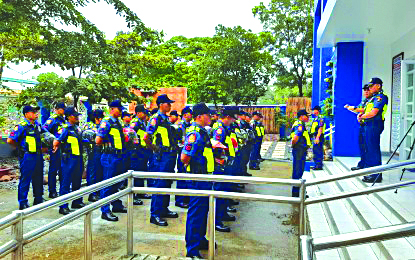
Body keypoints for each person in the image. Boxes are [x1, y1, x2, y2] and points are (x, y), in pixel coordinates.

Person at [181, 103, 215, 258]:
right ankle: (192, 250)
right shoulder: (195, 133)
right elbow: (184, 157)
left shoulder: (202, 131)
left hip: (204, 177)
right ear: (200, 116)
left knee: (203, 211)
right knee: (196, 213)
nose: (211, 117)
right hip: (198, 177)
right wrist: (195, 167)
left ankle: (200, 239)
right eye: (208, 115)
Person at [144, 94, 178, 226]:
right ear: (160, 105)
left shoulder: (166, 119)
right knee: (159, 184)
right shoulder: (155, 119)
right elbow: (146, 137)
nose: (169, 105)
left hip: (169, 156)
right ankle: (155, 214)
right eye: (167, 103)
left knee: (166, 183)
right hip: (161, 156)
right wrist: (155, 149)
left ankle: (164, 209)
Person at [7, 106, 45, 209]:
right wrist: (19, 149)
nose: (35, 114)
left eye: (36, 112)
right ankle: (23, 202)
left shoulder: (37, 125)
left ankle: (38, 198)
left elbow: (45, 135)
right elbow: (10, 140)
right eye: (33, 112)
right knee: (26, 178)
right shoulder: (21, 126)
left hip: (38, 155)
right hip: (27, 156)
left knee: (38, 177)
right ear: (26, 114)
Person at [96, 100, 128, 222]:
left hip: (119, 156)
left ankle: (116, 204)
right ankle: (105, 210)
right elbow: (98, 140)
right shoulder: (106, 122)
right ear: (112, 109)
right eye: (118, 109)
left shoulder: (118, 123)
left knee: (116, 183)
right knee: (108, 184)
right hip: (110, 156)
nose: (120, 111)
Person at [210, 107, 240, 232]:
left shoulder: (225, 128)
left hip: (226, 164)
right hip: (220, 166)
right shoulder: (219, 129)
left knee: (224, 190)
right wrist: (220, 162)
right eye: (233, 118)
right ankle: (216, 221)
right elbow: (216, 147)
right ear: (228, 117)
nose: (233, 121)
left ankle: (222, 214)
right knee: (219, 191)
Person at [53, 107, 85, 215]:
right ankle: (63, 206)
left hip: (78, 157)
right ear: (68, 117)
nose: (76, 117)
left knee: (77, 180)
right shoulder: (65, 128)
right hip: (69, 158)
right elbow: (56, 141)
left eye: (77, 116)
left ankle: (76, 201)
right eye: (74, 116)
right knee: (66, 181)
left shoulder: (77, 128)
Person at [357, 77, 388, 183]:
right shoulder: (372, 98)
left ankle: (376, 175)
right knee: (368, 149)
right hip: (368, 125)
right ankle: (371, 172)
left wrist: (362, 116)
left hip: (374, 125)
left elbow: (374, 112)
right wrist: (362, 115)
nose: (369, 88)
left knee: (373, 149)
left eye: (372, 85)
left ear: (378, 86)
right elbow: (367, 110)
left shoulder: (381, 97)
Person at [344, 84, 372, 171]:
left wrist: (353, 108)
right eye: (365, 90)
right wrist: (357, 114)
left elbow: (364, 110)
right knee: (362, 146)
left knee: (369, 147)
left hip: (370, 126)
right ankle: (362, 164)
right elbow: (359, 110)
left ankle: (368, 166)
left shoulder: (373, 100)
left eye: (368, 89)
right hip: (362, 126)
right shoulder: (364, 101)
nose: (366, 91)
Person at [43, 102, 66, 199]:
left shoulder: (63, 119)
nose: (64, 111)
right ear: (58, 109)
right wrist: (53, 140)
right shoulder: (52, 119)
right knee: (53, 170)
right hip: (55, 148)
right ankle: (52, 191)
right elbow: (44, 130)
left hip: (63, 148)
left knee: (62, 169)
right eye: (63, 109)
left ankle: (61, 190)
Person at [129, 104, 152, 201]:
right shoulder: (135, 122)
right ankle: (134, 195)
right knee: (136, 172)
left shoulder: (142, 122)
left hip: (142, 150)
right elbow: (130, 134)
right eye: (143, 112)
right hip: (136, 151)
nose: (145, 114)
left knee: (141, 171)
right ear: (138, 113)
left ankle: (140, 192)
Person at [175, 106, 193, 208]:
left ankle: (186, 199)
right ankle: (180, 200)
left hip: (187, 154)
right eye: (190, 114)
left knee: (187, 176)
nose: (192, 116)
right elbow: (179, 141)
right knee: (182, 177)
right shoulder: (180, 126)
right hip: (182, 153)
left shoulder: (189, 126)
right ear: (185, 114)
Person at [85, 109, 104, 202]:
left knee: (99, 171)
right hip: (93, 151)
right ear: (97, 118)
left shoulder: (100, 126)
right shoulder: (89, 126)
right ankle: (92, 194)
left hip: (101, 151)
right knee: (93, 172)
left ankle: (98, 192)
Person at [291, 109, 311, 197]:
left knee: (299, 170)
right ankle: (296, 192)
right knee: (297, 170)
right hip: (299, 150)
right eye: (306, 115)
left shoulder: (301, 124)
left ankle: (297, 190)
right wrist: (293, 145)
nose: (308, 117)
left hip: (300, 150)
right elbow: (295, 138)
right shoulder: (299, 125)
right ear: (302, 116)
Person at [310, 106, 326, 170]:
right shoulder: (316, 118)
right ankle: (317, 164)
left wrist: (317, 138)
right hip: (316, 136)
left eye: (314, 110)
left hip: (318, 136)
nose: (313, 111)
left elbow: (320, 128)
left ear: (318, 111)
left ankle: (318, 165)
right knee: (315, 150)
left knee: (318, 150)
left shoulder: (320, 118)